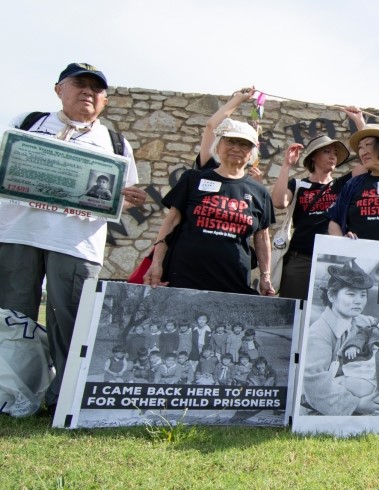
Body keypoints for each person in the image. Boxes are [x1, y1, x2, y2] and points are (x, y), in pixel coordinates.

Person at [0, 64, 146, 408]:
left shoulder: (115, 142)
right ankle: (11, 394)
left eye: (96, 90)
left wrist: (127, 198)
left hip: (77, 243)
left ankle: (61, 399)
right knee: (12, 318)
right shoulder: (27, 123)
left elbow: (124, 195)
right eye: (79, 85)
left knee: (71, 322)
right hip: (19, 232)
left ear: (105, 100)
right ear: (58, 89)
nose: (87, 93)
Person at [142, 118, 276, 296]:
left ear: (252, 152)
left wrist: (266, 276)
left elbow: (262, 238)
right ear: (218, 145)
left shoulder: (260, 192)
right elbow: (171, 222)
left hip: (233, 278)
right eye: (231, 141)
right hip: (184, 274)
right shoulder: (192, 179)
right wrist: (156, 262)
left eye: (244, 144)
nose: (236, 148)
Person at [303, 260, 379, 415]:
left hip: (365, 389)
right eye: (351, 294)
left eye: (363, 294)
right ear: (332, 296)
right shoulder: (319, 333)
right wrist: (356, 405)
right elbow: (314, 381)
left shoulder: (364, 322)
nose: (358, 300)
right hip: (331, 403)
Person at [271, 134, 352, 299]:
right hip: (300, 257)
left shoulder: (341, 185)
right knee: (292, 309)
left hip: (331, 258)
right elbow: (279, 202)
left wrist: (359, 121)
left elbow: (369, 164)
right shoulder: (299, 184)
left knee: (323, 305)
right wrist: (286, 165)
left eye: (335, 153)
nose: (332, 156)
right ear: (314, 157)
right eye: (327, 151)